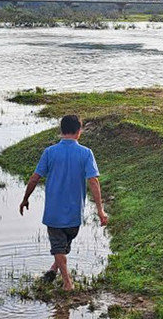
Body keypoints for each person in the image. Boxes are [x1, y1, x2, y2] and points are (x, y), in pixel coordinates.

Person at [18, 115, 107, 292]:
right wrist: (100, 210)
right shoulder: (86, 153)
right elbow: (93, 181)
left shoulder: (50, 152)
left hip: (54, 214)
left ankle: (68, 284)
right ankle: (53, 270)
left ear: (61, 131)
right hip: (75, 214)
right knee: (62, 246)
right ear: (78, 132)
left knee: (60, 247)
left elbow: (35, 178)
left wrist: (25, 198)